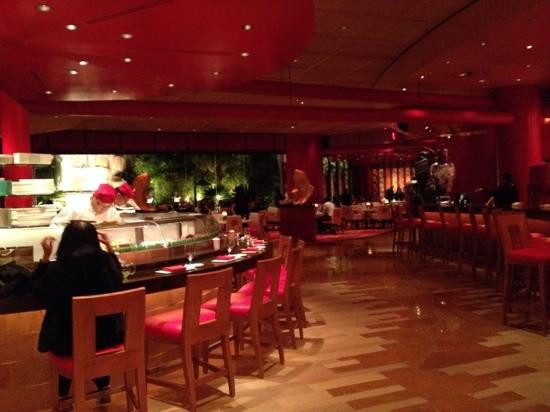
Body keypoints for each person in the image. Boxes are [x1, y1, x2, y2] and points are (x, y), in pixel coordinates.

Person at [31, 221, 123, 400]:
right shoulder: (105, 266)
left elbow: (37, 289)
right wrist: (110, 248)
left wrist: (45, 257)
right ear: (95, 241)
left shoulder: (57, 270)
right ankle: (104, 388)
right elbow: (118, 278)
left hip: (67, 344)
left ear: (65, 242)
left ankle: (63, 397)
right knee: (97, 331)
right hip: (110, 339)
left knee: (67, 332)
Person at [52, 184, 122, 225]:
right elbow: (56, 225)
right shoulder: (75, 207)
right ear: (93, 198)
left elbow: (119, 226)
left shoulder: (112, 211)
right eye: (99, 204)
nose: (102, 209)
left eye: (107, 207)